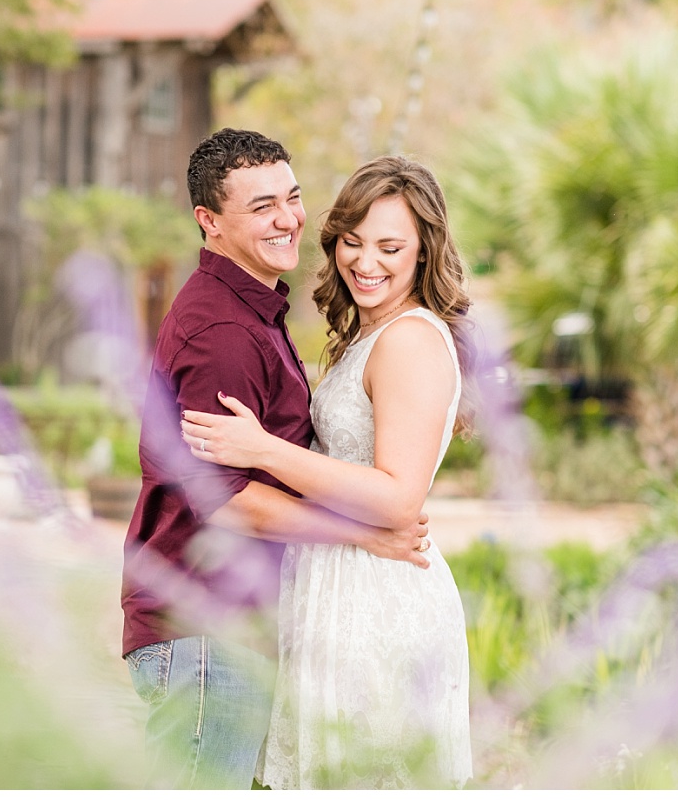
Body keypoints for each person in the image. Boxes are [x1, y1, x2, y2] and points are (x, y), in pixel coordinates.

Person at [121, 129, 434, 790]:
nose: (288, 218)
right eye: (262, 206)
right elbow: (227, 500)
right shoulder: (225, 331)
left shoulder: (251, 309)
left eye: (291, 198)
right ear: (209, 221)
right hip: (204, 627)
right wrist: (366, 532)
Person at [180, 154, 475, 788]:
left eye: (391, 247)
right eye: (353, 241)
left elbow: (399, 499)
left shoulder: (411, 339)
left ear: (424, 251)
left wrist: (262, 449)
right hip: (336, 581)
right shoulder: (372, 334)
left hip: (379, 595)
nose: (366, 262)